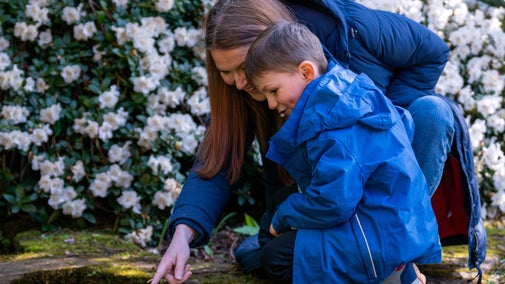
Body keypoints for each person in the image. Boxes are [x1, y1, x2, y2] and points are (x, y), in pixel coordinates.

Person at [151, 0, 486, 283]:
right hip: (315, 189)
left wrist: (386, 127)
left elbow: (431, 51)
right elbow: (219, 159)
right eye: (226, 73)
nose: (239, 82)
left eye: (243, 67)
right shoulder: (248, 90)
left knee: (433, 112)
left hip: (383, 186)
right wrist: (183, 234)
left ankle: (399, 253)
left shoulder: (350, 27)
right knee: (269, 256)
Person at [240, 20, 441, 283]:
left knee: (275, 260)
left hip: (375, 239)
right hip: (385, 221)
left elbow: (333, 203)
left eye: (273, 91)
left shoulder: (336, 124)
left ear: (306, 72)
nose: (271, 104)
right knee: (278, 212)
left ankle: (394, 274)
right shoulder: (348, 95)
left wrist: (285, 217)